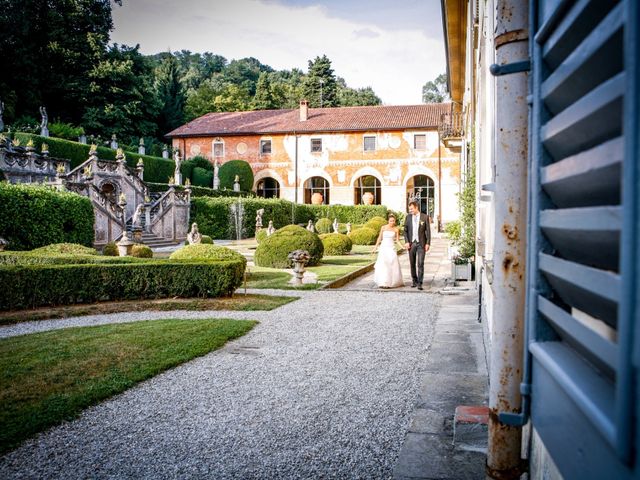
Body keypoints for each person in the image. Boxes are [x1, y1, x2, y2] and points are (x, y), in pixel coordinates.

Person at [404, 201, 431, 290]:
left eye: (411, 209)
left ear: (416, 207)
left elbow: (428, 231)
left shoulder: (424, 217)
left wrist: (428, 243)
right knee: (412, 263)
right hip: (411, 244)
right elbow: (405, 231)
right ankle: (414, 281)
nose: (410, 210)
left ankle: (420, 283)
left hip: (421, 244)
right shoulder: (408, 217)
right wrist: (407, 241)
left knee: (420, 263)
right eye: (409, 209)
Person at [372, 214, 404, 288]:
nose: (392, 222)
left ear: (395, 221)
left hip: (391, 248)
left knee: (392, 264)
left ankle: (391, 282)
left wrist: (402, 246)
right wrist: (375, 247)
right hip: (384, 248)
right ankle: (383, 282)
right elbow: (379, 238)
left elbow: (397, 240)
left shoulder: (396, 229)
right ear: (388, 221)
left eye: (393, 221)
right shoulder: (383, 227)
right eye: (390, 221)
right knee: (384, 265)